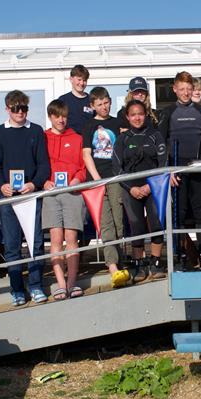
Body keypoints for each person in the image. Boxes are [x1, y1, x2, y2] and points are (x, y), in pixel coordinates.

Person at [0, 90, 50, 306]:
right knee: (12, 245)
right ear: (7, 109)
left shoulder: (35, 131)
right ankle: (17, 289)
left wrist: (33, 183)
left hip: (30, 194)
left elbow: (44, 165)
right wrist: (2, 185)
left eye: (23, 108)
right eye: (15, 108)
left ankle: (36, 286)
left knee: (35, 244)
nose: (20, 112)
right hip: (8, 198)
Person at [158, 71, 201, 271]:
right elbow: (161, 145)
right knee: (179, 215)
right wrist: (168, 171)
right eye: (181, 89)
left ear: (194, 89)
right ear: (174, 89)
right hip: (177, 169)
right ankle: (181, 256)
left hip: (199, 166)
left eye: (188, 89)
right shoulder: (167, 112)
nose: (185, 93)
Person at [113, 100, 167, 282]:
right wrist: (132, 188)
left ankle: (156, 262)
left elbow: (163, 164)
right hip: (131, 189)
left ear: (146, 115)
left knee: (156, 223)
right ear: (127, 117)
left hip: (153, 187)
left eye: (140, 114)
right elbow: (116, 168)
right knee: (136, 226)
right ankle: (139, 264)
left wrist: (149, 186)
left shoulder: (155, 135)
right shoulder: (122, 139)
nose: (137, 117)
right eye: (133, 114)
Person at [82, 87, 130, 289]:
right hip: (97, 181)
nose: (103, 107)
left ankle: (122, 261)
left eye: (106, 102)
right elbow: (86, 154)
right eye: (99, 104)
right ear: (92, 106)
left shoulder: (118, 122)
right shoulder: (89, 125)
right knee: (106, 223)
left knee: (119, 221)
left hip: (116, 177)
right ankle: (112, 267)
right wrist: (97, 179)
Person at [43, 99, 88, 300]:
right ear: (50, 116)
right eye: (56, 116)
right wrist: (44, 181)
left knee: (71, 240)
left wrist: (78, 179)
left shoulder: (77, 138)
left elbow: (83, 166)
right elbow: (37, 165)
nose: (61, 120)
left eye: (64, 116)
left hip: (73, 192)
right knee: (55, 240)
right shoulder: (42, 137)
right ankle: (60, 283)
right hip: (51, 194)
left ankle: (72, 283)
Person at [58, 64, 94, 135]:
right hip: (69, 140)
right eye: (79, 79)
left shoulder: (92, 100)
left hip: (88, 141)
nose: (82, 83)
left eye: (84, 80)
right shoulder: (63, 100)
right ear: (71, 79)